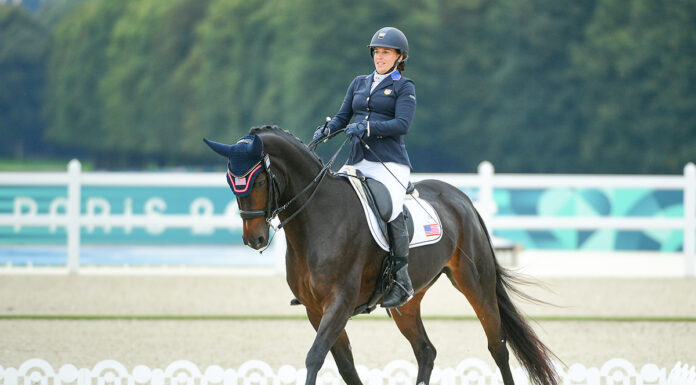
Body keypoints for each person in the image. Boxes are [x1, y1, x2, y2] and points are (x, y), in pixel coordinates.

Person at [313, 26, 416, 308]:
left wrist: (368, 127)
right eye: (377, 52)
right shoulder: (359, 82)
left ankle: (401, 278)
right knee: (333, 202)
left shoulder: (404, 87)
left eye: (386, 52)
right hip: (357, 161)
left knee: (390, 208)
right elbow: (343, 116)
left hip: (389, 163)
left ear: (399, 57)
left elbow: (402, 125)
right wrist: (327, 130)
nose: (379, 57)